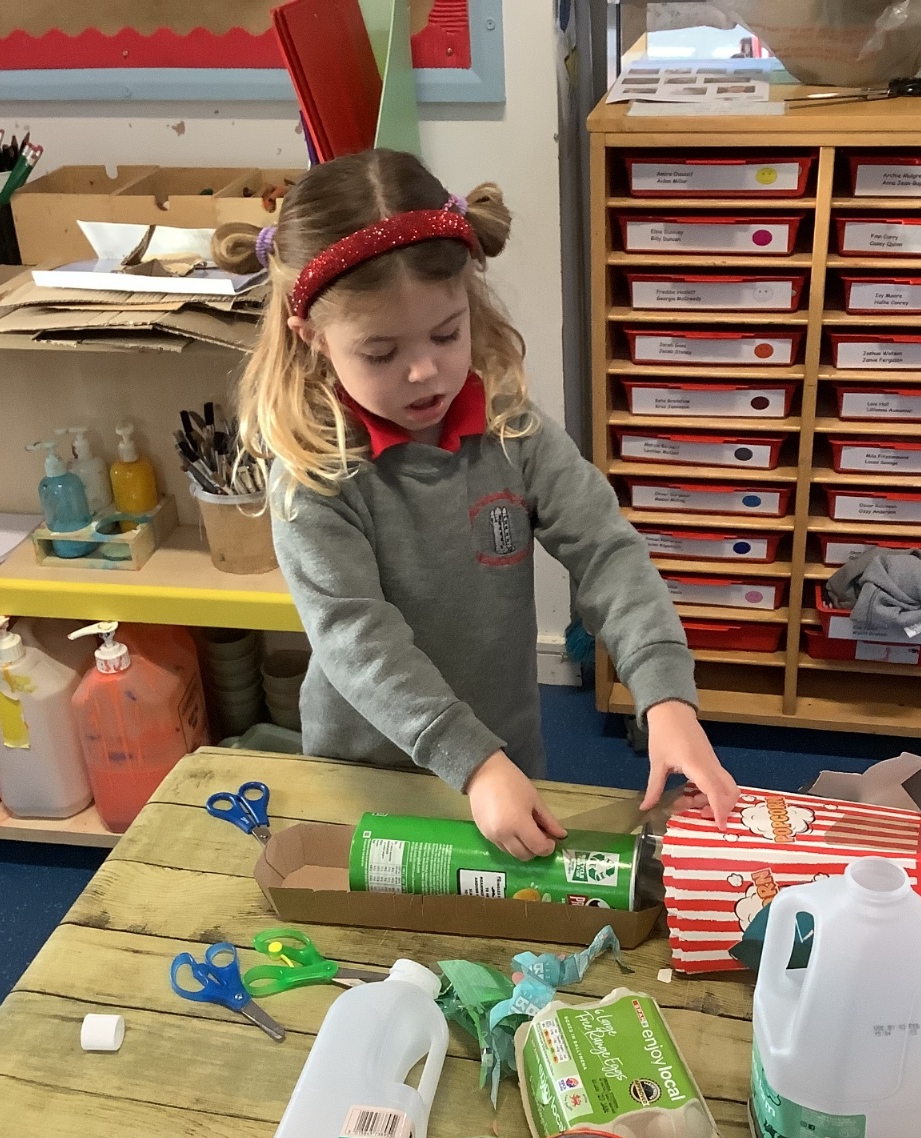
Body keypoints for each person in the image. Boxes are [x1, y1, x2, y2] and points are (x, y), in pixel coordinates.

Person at [215, 148, 738, 860]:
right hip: (371, 775)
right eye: (380, 352)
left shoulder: (511, 430)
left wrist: (666, 692)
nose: (424, 369)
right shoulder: (313, 476)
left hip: (504, 762)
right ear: (312, 336)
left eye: (446, 333)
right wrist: (473, 762)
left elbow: (606, 551)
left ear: (470, 303)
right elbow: (357, 638)